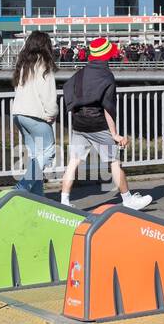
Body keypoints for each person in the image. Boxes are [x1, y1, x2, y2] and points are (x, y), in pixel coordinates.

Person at [59, 37, 151, 211]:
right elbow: (108, 107)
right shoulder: (106, 76)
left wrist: (76, 108)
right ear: (106, 55)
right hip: (97, 124)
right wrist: (115, 134)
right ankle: (128, 199)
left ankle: (64, 201)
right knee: (114, 161)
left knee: (74, 161)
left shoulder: (80, 73)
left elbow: (67, 89)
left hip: (79, 123)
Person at [10, 31, 59, 195]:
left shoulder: (23, 64)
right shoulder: (44, 65)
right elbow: (49, 96)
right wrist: (51, 114)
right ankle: (22, 187)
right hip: (35, 116)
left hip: (18, 114)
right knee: (48, 152)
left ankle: (38, 198)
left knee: (35, 157)